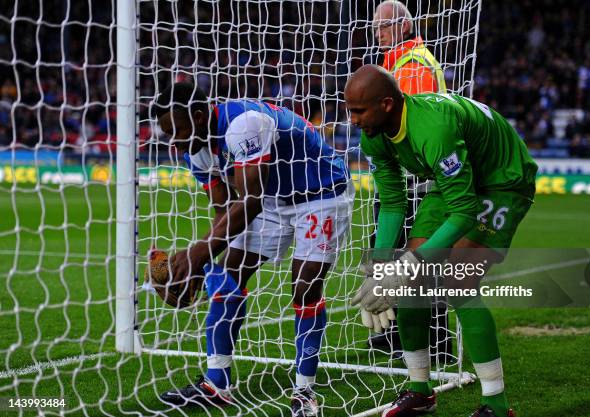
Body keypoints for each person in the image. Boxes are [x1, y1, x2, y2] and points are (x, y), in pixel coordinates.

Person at [152, 82, 354, 417]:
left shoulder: (242, 123)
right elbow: (224, 211)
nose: (174, 141)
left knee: (304, 286)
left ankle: (304, 392)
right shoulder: (197, 149)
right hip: (274, 200)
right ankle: (217, 383)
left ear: (199, 116)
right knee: (230, 272)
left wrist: (196, 255)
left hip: (322, 192)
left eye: (178, 130)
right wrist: (198, 265)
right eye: (168, 133)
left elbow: (249, 202)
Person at [346, 65, 537, 417]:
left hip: (501, 179)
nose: (353, 120)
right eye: (350, 110)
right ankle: (421, 391)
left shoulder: (432, 129)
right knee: (409, 285)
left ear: (387, 104)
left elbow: (465, 212)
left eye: (359, 111)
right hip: (455, 180)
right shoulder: (373, 135)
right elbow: (391, 202)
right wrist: (379, 267)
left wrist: (407, 262)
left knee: (457, 281)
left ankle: (496, 405)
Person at [368, 0, 451, 359]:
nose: (378, 34)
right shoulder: (403, 62)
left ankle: (427, 342)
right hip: (411, 179)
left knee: (412, 260)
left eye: (383, 28)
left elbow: (410, 127)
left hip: (412, 181)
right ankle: (399, 337)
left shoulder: (412, 66)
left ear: (403, 26)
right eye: (375, 29)